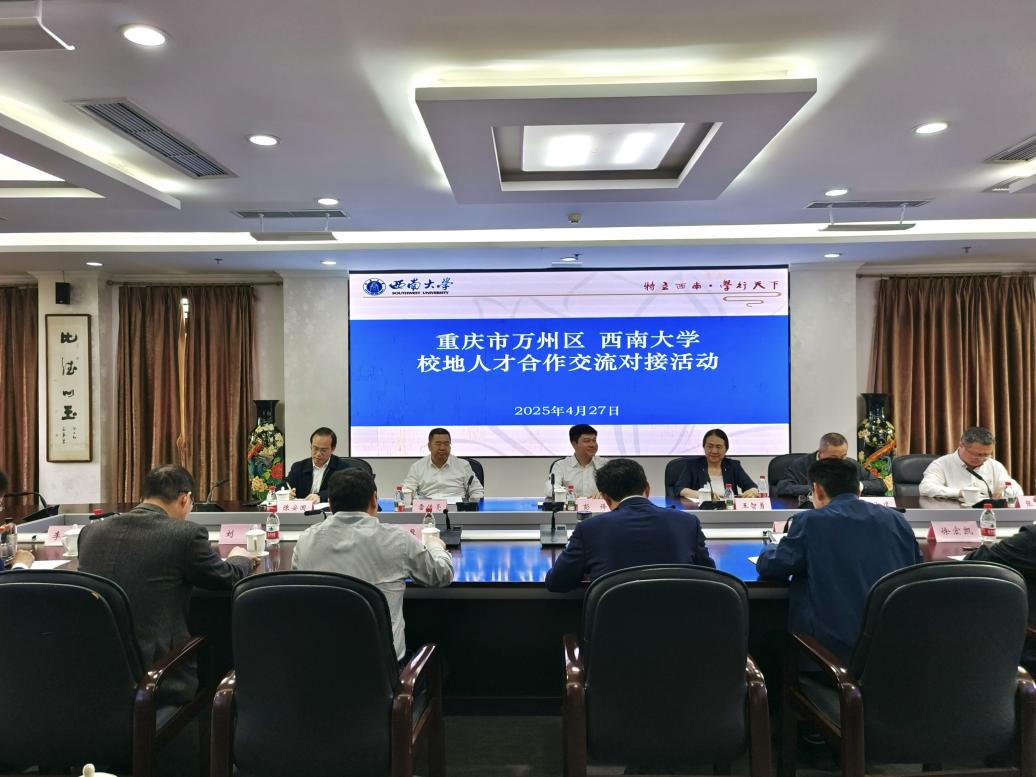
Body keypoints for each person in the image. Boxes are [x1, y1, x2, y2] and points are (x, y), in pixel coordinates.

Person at [78, 465, 258, 704]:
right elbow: (227, 577)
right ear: (185, 499)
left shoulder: (91, 532)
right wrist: (240, 558)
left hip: (93, 673)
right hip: (157, 678)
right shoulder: (184, 534)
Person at [756, 458, 921, 662]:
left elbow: (774, 566)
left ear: (817, 490)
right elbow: (915, 567)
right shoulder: (897, 519)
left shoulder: (811, 521)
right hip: (892, 651)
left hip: (829, 655)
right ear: (858, 490)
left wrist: (769, 549)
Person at [292, 468, 454, 661]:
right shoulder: (397, 539)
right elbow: (441, 575)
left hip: (320, 663)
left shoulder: (306, 540)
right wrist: (435, 546)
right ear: (374, 500)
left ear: (331, 503)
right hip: (380, 667)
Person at [544, 458, 714, 593]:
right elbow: (710, 577)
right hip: (679, 623)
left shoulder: (589, 529)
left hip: (613, 625)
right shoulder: (687, 523)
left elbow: (557, 582)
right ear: (647, 489)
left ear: (605, 498)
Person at [919, 426, 1022, 501]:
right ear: (961, 445)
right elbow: (926, 488)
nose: (982, 459)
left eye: (987, 455)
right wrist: (960, 493)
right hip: (953, 515)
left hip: (987, 514)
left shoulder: (994, 465)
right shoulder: (941, 464)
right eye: (977, 455)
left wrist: (1004, 493)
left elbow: (1016, 490)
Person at [774, 432, 886, 498]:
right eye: (833, 457)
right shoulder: (802, 464)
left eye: (843, 456)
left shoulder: (850, 464)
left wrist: (857, 485)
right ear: (820, 453)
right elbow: (783, 488)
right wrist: (820, 489)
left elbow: (880, 485)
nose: (839, 461)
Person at [674, 428, 759, 501]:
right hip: (700, 510)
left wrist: (753, 491)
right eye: (710, 446)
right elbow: (679, 489)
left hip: (728, 510)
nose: (714, 451)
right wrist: (702, 495)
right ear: (704, 447)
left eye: (718, 447)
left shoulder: (733, 466)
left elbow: (751, 486)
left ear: (726, 449)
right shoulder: (693, 465)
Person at [402, 428, 485, 501]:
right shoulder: (417, 467)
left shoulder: (463, 465)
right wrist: (409, 494)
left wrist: (470, 506)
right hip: (428, 509)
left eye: (446, 444)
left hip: (457, 509)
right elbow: (407, 489)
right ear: (429, 446)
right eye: (438, 444)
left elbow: (477, 491)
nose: (442, 448)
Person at [286, 427, 354, 503]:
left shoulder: (342, 468)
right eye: (315, 448)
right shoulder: (298, 467)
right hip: (302, 509)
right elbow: (284, 485)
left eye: (323, 450)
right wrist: (286, 493)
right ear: (311, 446)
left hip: (328, 509)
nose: (318, 454)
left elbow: (344, 489)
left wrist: (320, 496)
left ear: (333, 449)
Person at [546, 424, 607, 499]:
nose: (592, 445)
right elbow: (550, 488)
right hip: (571, 505)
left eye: (594, 440)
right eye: (587, 441)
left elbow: (617, 488)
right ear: (574, 444)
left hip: (599, 506)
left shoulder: (605, 464)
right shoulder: (561, 465)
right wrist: (569, 495)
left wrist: (605, 494)